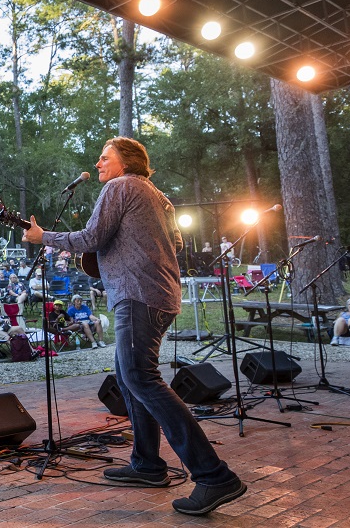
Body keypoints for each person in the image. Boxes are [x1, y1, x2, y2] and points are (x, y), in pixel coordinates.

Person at [23, 136, 246, 515]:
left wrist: (45, 237)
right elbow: (172, 243)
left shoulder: (120, 185)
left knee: (141, 378)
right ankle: (147, 464)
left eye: (104, 157)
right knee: (129, 378)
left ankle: (214, 476)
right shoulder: (159, 196)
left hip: (137, 295)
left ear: (125, 162)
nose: (98, 164)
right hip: (159, 295)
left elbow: (92, 237)